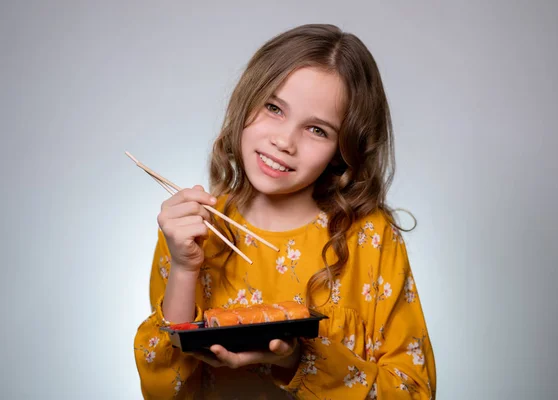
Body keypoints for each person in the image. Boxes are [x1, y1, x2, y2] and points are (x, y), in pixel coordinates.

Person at [133, 23, 436, 399]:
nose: (284, 141)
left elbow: (414, 390)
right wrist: (184, 268)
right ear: (247, 99)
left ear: (343, 149)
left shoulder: (369, 236)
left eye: (317, 130)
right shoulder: (195, 227)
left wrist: (296, 361)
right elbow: (165, 392)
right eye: (274, 108)